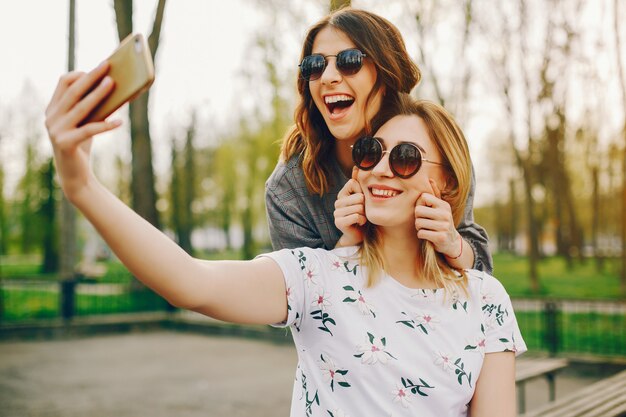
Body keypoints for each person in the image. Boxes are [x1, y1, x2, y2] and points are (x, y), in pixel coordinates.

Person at [45, 54, 526, 414]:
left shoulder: (485, 300)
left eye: (404, 158)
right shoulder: (316, 277)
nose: (381, 168)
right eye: (370, 152)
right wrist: (82, 186)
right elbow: (190, 281)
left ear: (445, 183)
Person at [265, 7, 493, 274]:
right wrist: (347, 244)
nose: (327, 77)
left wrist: (454, 244)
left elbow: (481, 276)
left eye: (348, 61)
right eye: (315, 66)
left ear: (384, 74)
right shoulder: (289, 189)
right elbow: (300, 301)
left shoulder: (437, 150)